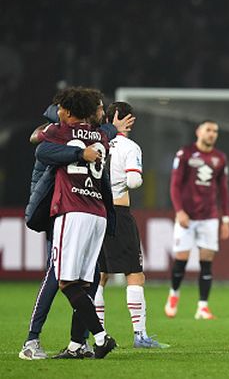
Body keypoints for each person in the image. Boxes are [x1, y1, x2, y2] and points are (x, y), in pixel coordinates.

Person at [19, 92, 132, 360]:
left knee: (62, 279)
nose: (103, 113)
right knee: (84, 281)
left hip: (72, 210)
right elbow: (103, 129)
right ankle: (78, 343)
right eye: (100, 108)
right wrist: (108, 131)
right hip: (98, 213)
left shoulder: (61, 131)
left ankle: (40, 340)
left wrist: (78, 152)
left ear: (68, 112)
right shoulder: (101, 135)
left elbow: (41, 148)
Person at [93, 102, 168, 348]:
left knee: (99, 276)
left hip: (93, 211)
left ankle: (100, 335)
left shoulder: (92, 143)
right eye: (130, 119)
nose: (131, 124)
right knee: (134, 274)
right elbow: (134, 181)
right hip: (118, 211)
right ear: (118, 118)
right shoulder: (129, 146)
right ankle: (140, 335)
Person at [165, 120, 229, 320]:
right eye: (208, 130)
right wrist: (179, 211)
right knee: (181, 259)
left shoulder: (220, 158)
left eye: (215, 131)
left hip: (209, 216)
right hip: (187, 215)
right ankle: (174, 295)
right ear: (199, 132)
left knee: (206, 261)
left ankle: (202, 306)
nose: (212, 134)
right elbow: (175, 185)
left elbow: (224, 190)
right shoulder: (184, 153)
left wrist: (225, 219)